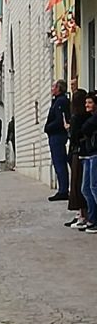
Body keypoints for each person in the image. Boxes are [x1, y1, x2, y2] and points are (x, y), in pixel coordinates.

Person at [67, 90, 90, 222]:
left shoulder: (76, 117)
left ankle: (82, 215)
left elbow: (74, 136)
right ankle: (83, 214)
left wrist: (69, 129)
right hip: (85, 151)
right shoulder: (88, 116)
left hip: (77, 152)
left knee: (78, 184)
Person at [46, 81, 71, 200]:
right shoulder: (57, 101)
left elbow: (60, 120)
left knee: (59, 162)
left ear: (59, 89)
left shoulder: (60, 101)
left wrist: (48, 128)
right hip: (55, 134)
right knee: (58, 162)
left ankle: (63, 190)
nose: (52, 89)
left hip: (57, 134)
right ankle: (62, 188)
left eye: (54, 87)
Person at [76, 94, 97, 232]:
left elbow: (84, 129)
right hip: (89, 153)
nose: (87, 105)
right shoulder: (90, 117)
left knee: (93, 187)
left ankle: (93, 219)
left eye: (89, 102)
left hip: (94, 153)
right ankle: (92, 217)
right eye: (85, 103)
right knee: (86, 188)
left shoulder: (94, 118)